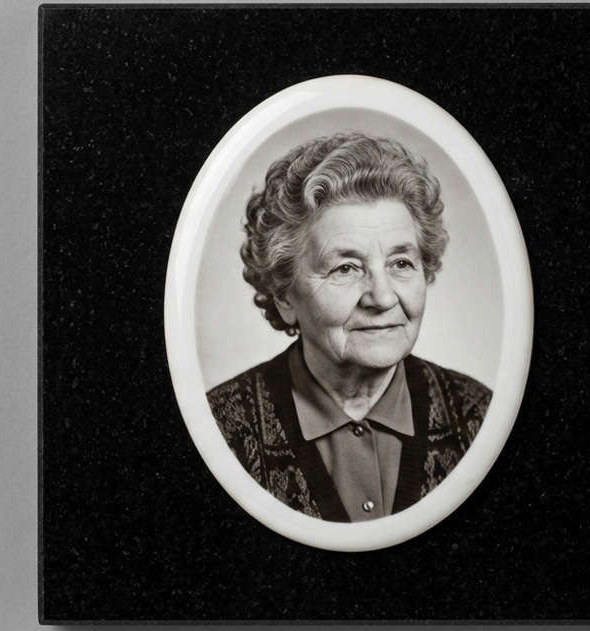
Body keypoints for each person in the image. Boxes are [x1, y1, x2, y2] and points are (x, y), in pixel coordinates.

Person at [207, 132, 491, 522]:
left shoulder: (480, 416)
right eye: (345, 268)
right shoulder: (216, 431)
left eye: (401, 263)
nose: (383, 297)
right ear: (284, 296)